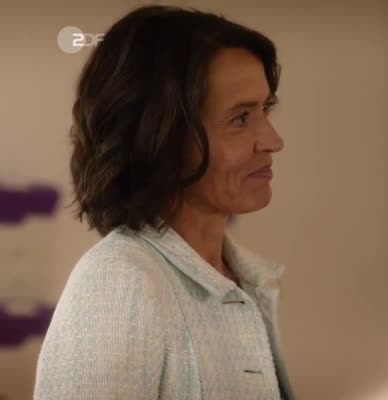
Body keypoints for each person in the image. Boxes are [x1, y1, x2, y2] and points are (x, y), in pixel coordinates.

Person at [34, 5, 293, 399]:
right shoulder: (119, 281)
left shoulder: (244, 277)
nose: (273, 141)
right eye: (241, 118)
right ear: (158, 136)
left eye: (265, 109)